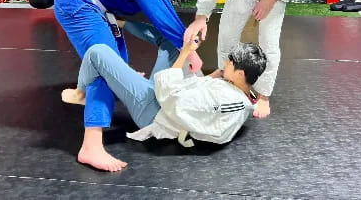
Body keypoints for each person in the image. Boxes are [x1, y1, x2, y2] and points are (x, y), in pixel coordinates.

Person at [54, 0, 203, 172]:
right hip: (77, 4)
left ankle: (80, 93)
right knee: (104, 63)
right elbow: (162, 13)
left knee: (118, 59)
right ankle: (90, 146)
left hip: (93, 5)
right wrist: (190, 50)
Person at [71, 38, 266, 171]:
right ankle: (123, 26)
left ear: (241, 73)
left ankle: (80, 93)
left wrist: (186, 54)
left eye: (230, 62)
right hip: (164, 98)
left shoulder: (226, 102)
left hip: (153, 111)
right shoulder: (240, 92)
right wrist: (212, 78)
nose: (225, 63)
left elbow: (172, 99)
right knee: (171, 43)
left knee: (97, 52)